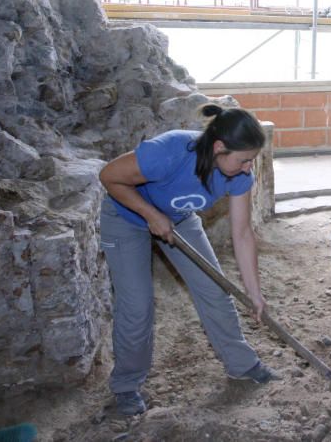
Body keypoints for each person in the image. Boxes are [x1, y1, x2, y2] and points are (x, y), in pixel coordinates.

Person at [98, 104, 279, 417]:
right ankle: (126, 388)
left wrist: (255, 292)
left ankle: (241, 364)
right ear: (219, 148)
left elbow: (243, 234)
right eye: (244, 160)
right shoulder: (169, 151)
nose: (249, 168)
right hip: (126, 216)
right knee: (137, 305)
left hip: (178, 220)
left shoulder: (237, 177)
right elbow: (109, 176)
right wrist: (151, 214)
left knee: (214, 288)